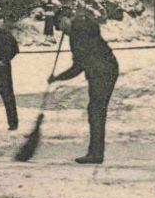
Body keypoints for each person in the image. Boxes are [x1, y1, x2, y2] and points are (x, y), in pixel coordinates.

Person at [49, 9, 119, 164]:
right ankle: (95, 152)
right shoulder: (79, 29)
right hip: (105, 69)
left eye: (61, 25)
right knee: (95, 111)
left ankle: (96, 154)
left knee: (96, 111)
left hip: (102, 72)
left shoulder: (79, 32)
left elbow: (78, 67)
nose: (62, 32)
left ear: (65, 19)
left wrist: (57, 78)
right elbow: (80, 64)